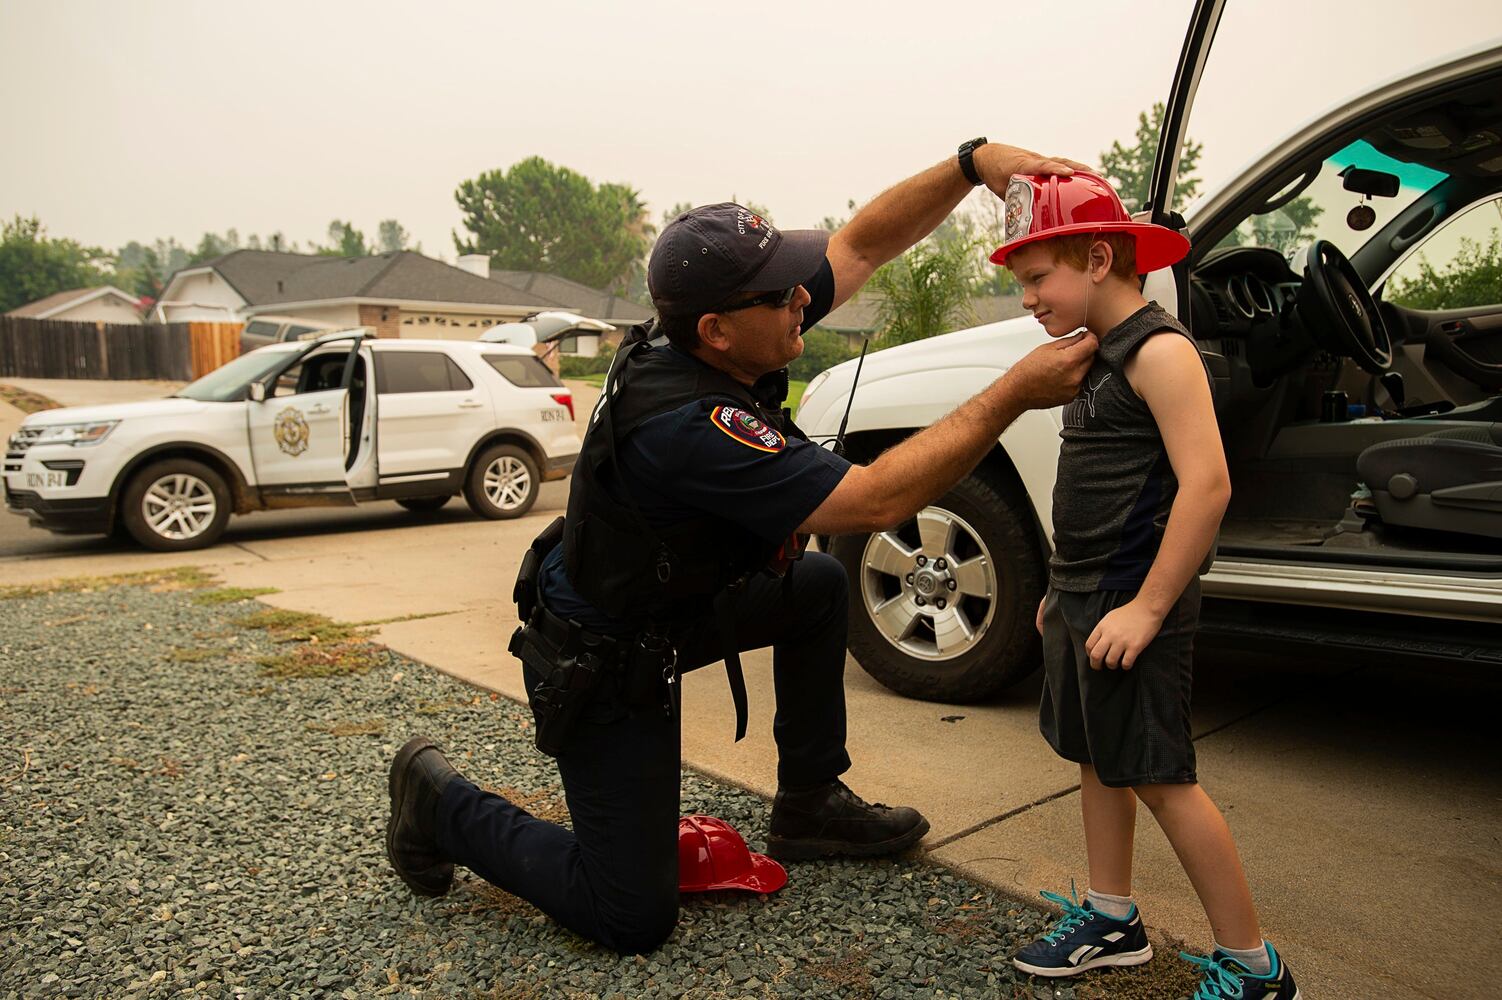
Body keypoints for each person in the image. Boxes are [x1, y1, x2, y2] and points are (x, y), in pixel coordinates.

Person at [384, 139, 1098, 956]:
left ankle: (808, 802)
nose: (804, 296)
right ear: (719, 329)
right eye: (782, 291)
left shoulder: (725, 325)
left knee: (819, 586)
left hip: (669, 606)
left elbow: (863, 243)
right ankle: (438, 802)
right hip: (605, 653)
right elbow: (878, 501)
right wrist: (1016, 389)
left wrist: (971, 164)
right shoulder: (690, 424)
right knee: (629, 913)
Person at [991, 171, 1300, 999]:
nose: (1026, 298)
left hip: (1139, 603)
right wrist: (1062, 587)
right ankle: (1112, 917)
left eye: (1035, 278)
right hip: (1088, 599)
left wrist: (1149, 607)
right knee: (1098, 758)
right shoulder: (1085, 360)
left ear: (1097, 257)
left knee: (1163, 777)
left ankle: (1255, 967)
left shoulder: (1162, 352)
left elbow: (1207, 487)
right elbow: (1091, 484)